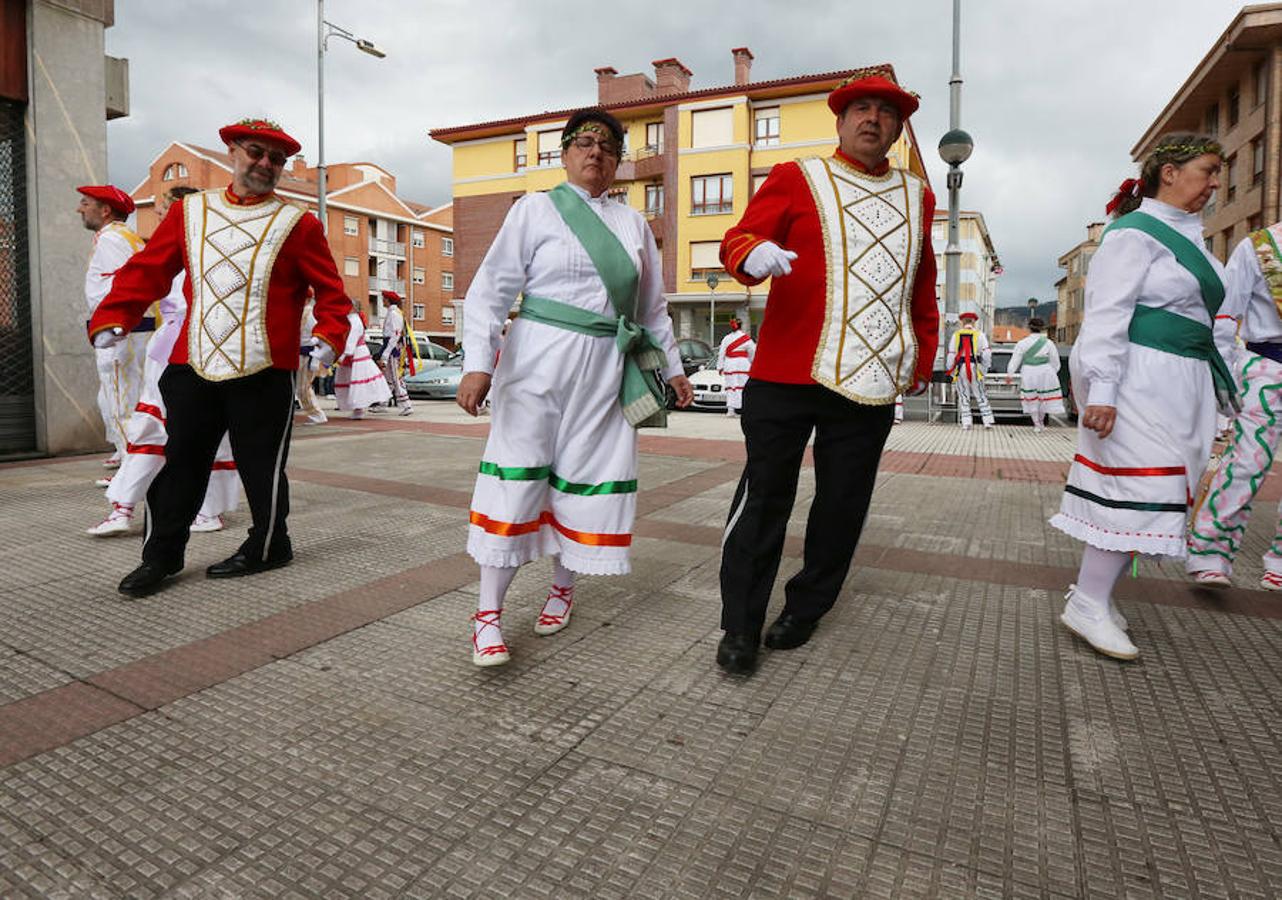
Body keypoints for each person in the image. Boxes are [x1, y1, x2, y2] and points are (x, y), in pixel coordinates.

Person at [714, 73, 939, 676]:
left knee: (842, 505)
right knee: (763, 501)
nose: (872, 119)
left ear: (897, 128)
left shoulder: (919, 196)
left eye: (886, 113)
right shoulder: (795, 176)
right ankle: (740, 623)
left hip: (868, 379)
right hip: (785, 373)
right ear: (840, 121)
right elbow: (738, 240)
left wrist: (923, 353)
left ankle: (806, 608)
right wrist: (750, 256)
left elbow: (921, 281)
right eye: (861, 109)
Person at [456, 107, 693, 667]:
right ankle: (486, 616)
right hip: (535, 359)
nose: (596, 153)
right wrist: (476, 362)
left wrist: (675, 369)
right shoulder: (536, 210)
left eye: (608, 146)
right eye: (584, 143)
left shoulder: (633, 224)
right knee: (517, 479)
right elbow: (490, 291)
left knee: (588, 479)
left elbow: (652, 308)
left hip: (607, 368)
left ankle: (563, 588)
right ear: (564, 153)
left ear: (617, 161)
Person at [88, 117, 350, 598]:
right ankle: (161, 556)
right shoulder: (189, 213)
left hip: (267, 366)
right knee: (181, 464)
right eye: (256, 152)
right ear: (232, 152)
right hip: (193, 362)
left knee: (262, 467)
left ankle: (270, 544)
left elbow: (332, 292)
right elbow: (149, 269)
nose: (265, 164)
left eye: (276, 159)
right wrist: (115, 314)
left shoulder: (299, 223)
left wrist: (332, 334)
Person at [1049, 134, 1235, 660]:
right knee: (1134, 492)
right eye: (1208, 169)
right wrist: (1102, 390)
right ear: (1170, 172)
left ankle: (1095, 596)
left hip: (1182, 383)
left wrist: (1222, 388)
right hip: (1138, 381)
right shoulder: (1133, 235)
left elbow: (1210, 322)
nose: (1216, 182)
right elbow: (1108, 313)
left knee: (1148, 492)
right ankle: (1087, 601)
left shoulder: (1193, 239)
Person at [87, 186, 240, 537]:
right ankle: (123, 506)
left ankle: (208, 509)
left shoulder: (213, 246)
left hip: (208, 348)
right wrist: (115, 319)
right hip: (169, 347)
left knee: (208, 430)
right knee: (152, 423)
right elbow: (140, 282)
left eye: (164, 210)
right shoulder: (164, 250)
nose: (159, 217)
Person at [1186, 218, 1282, 590]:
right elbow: (1225, 317)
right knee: (1246, 462)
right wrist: (1222, 381)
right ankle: (1209, 553)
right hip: (1265, 366)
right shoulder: (1258, 246)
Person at [78, 184, 147, 477]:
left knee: (121, 401)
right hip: (122, 332)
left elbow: (128, 288)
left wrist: (111, 327)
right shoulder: (118, 237)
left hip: (120, 334)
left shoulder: (113, 240)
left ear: (105, 210)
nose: (79, 208)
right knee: (114, 398)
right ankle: (128, 461)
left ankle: (132, 474)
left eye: (85, 203)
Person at [334, 300, 391, 419]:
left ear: (353, 308)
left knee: (357, 381)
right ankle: (356, 408)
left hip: (357, 354)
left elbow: (351, 340)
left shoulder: (354, 321)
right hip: (355, 353)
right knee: (353, 380)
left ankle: (358, 409)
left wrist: (344, 355)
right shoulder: (351, 319)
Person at [1008, 317, 1064, 432]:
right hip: (1045, 371)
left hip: (1029, 371)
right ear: (1042, 328)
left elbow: (1015, 360)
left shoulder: (1022, 343)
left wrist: (1010, 374)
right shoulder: (1048, 343)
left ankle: (1037, 424)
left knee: (1031, 397)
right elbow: (1055, 361)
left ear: (1029, 328)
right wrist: (1052, 372)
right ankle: (1042, 422)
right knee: (1044, 397)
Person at [947, 308, 995, 430]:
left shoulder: (956, 335)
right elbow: (986, 353)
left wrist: (951, 370)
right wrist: (985, 367)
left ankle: (966, 422)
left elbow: (951, 354)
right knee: (980, 393)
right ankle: (987, 421)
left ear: (962, 322)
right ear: (974, 322)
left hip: (961, 367)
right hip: (975, 367)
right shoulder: (980, 334)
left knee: (963, 394)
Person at [378, 290, 413, 416]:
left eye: (384, 298)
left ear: (388, 300)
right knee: (387, 377)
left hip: (393, 349)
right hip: (390, 346)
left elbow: (395, 335)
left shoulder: (394, 314)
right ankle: (383, 402)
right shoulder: (393, 313)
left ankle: (406, 405)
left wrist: (386, 354)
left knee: (396, 377)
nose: (382, 301)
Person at [295, 297, 327, 425]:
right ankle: (315, 413)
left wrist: (315, 358)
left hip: (307, 354)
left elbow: (319, 335)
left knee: (303, 387)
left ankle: (317, 414)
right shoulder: (302, 311)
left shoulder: (310, 313)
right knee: (301, 387)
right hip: (301, 353)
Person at [717, 316, 755, 416]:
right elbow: (752, 352)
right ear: (741, 326)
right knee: (742, 386)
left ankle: (731, 410)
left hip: (730, 364)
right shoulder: (746, 338)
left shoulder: (726, 338)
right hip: (743, 364)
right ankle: (744, 409)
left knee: (731, 387)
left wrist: (720, 366)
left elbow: (721, 353)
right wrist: (752, 364)